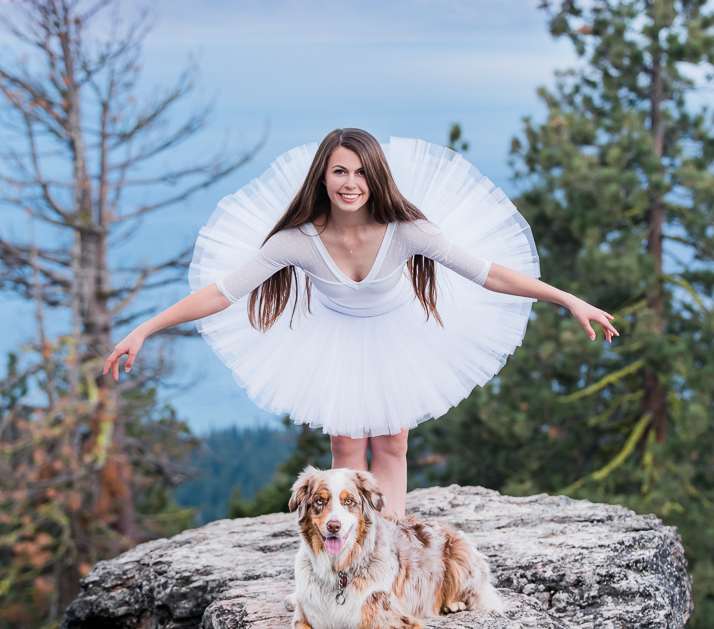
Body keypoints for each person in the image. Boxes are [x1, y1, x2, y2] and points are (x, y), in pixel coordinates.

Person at [104, 128, 617, 519]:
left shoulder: (407, 231)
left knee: (393, 442)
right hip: (335, 337)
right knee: (346, 450)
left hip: (396, 333)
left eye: (361, 172)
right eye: (339, 172)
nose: (351, 183)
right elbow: (220, 293)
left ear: (377, 178)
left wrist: (567, 298)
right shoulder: (297, 241)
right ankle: (349, 547)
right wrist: (145, 328)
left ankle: (390, 540)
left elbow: (490, 275)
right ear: (322, 179)